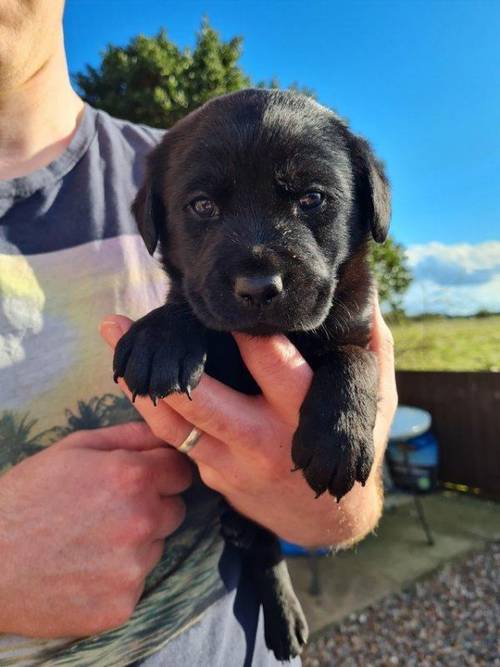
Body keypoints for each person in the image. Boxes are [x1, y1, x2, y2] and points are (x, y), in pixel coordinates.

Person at [0, 1, 398, 665]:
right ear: (161, 224)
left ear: (367, 206)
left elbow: (343, 498)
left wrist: (336, 482)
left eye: (310, 202)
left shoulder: (165, 155)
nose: (256, 274)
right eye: (205, 209)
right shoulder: (171, 174)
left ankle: (268, 573)